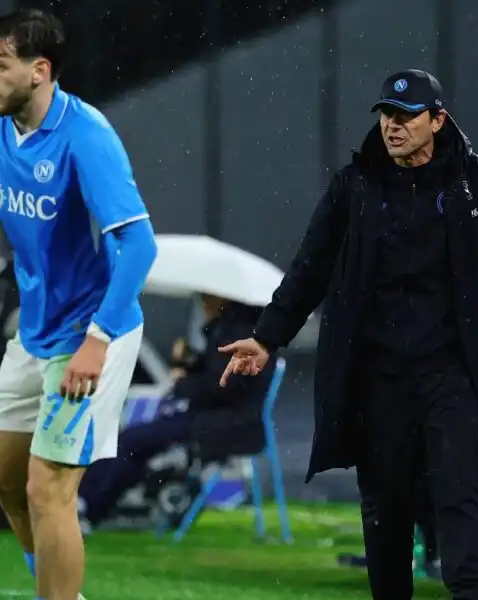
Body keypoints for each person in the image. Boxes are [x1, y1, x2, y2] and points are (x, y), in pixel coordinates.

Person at [219, 68, 478, 600]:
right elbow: (310, 267)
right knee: (385, 506)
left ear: (438, 121)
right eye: (387, 114)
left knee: (460, 492)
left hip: (451, 372)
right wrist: (266, 337)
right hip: (377, 375)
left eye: (407, 116)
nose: (394, 125)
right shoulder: (355, 186)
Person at [0, 9, 157, 600]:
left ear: (38, 70)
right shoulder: (2, 131)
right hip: (35, 332)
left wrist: (98, 341)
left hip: (90, 334)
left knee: (48, 490)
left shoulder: (85, 135)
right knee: (8, 483)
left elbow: (139, 245)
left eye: (0, 65)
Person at [77, 294, 275, 530]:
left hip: (221, 423)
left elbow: (220, 386)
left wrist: (183, 383)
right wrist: (188, 361)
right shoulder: (239, 333)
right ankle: (89, 503)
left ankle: (88, 504)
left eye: (206, 297)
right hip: (215, 419)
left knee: (132, 442)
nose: (203, 303)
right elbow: (216, 376)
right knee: (133, 442)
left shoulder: (240, 337)